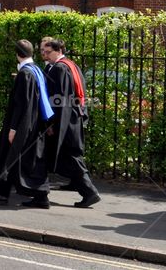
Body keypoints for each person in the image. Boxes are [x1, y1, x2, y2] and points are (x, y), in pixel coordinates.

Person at [0, 39, 54, 207]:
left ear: (17, 54)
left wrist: (14, 128)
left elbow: (21, 104)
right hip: (34, 122)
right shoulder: (36, 70)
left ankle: (5, 193)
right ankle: (7, 192)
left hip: (21, 124)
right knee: (25, 159)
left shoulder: (25, 74)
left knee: (14, 156)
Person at [40, 36, 100, 208]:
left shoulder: (59, 68)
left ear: (58, 51)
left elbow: (58, 99)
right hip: (75, 115)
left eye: (48, 52)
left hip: (65, 118)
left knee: (71, 155)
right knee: (73, 153)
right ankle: (75, 183)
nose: (45, 54)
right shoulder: (72, 65)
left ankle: (90, 192)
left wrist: (51, 123)